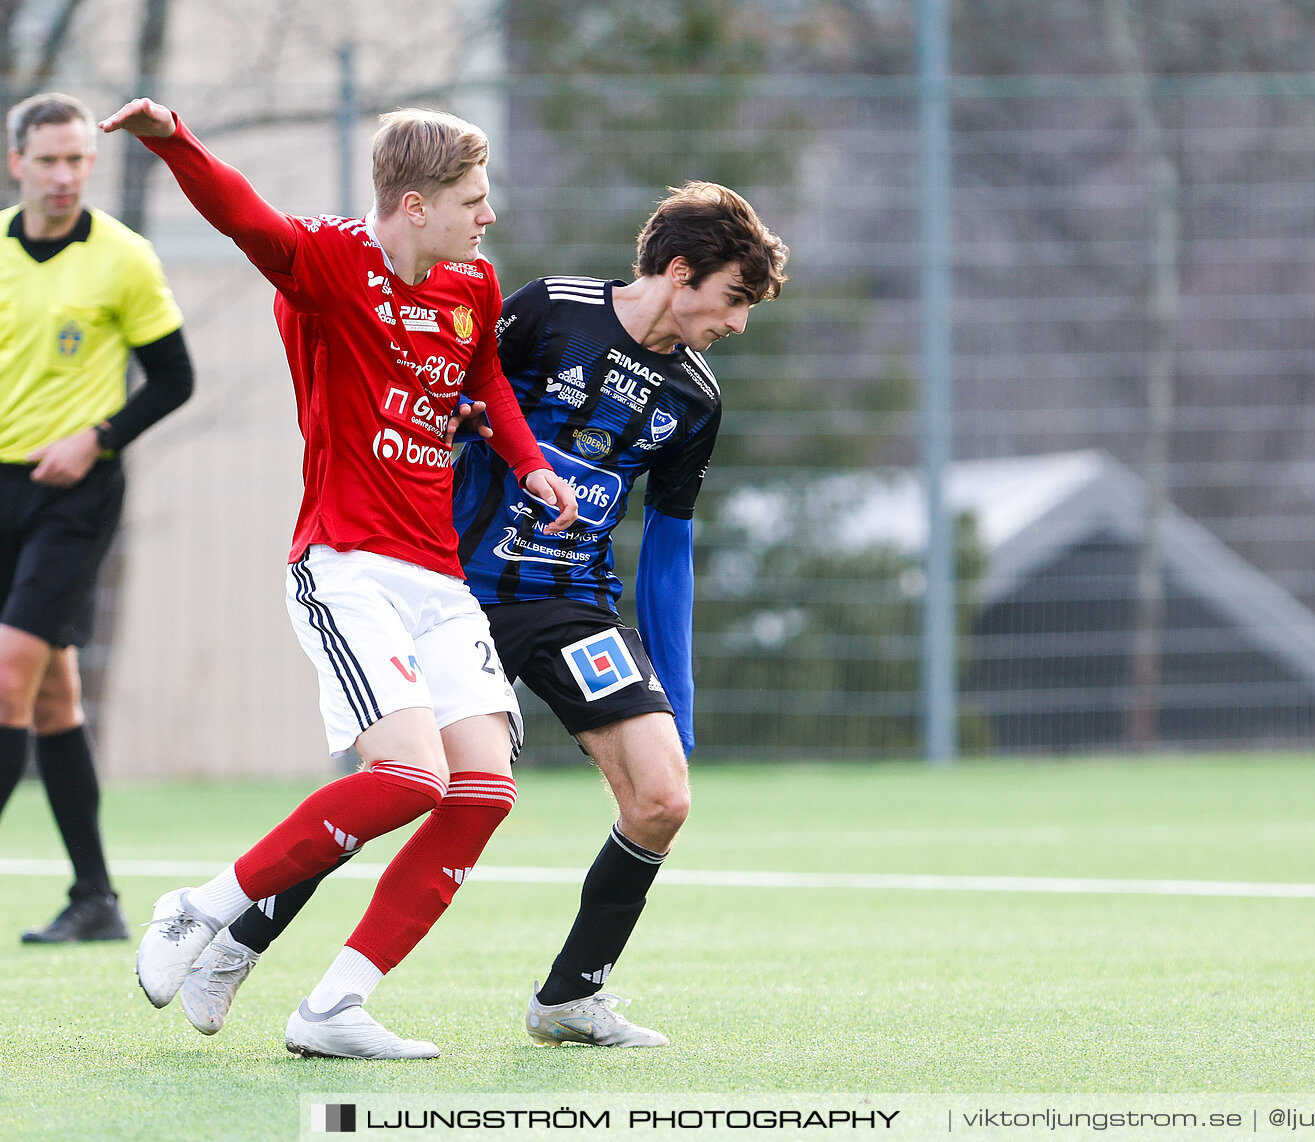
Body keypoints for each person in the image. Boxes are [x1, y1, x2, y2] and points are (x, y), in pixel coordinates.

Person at [175, 182, 788, 1049]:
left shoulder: (696, 397)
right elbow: (443, 395)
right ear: (681, 273)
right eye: (733, 299)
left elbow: (671, 549)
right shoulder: (547, 311)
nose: (738, 324)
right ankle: (241, 938)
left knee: (660, 796)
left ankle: (571, 996)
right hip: (448, 590)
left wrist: (677, 698)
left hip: (571, 605)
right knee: (404, 784)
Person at [102, 95, 578, 1060]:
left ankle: (333, 1009)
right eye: (473, 199)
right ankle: (203, 911)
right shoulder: (328, 263)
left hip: (437, 577)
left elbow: (480, 381)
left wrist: (531, 465)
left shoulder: (472, 285)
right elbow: (245, 217)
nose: (488, 215)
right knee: (407, 777)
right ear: (414, 204)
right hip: (347, 564)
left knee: (482, 792)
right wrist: (174, 140)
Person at [0, 93, 193, 944]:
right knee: (51, 697)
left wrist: (99, 437)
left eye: (77, 158)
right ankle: (96, 899)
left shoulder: (123, 258)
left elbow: (175, 379)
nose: (64, 174)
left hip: (75, 497)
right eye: (48, 159)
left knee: (8, 675)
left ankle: (94, 897)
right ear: (18, 165)